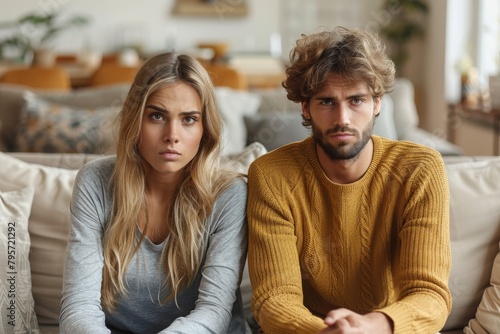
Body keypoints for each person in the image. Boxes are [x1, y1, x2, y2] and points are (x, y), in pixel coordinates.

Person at [246, 26, 452, 334]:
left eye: (356, 100)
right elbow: (274, 299)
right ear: (305, 107)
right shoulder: (271, 175)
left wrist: (372, 326)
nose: (342, 118)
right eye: (327, 102)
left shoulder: (420, 170)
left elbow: (429, 294)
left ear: (377, 103)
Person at [60, 52, 249, 333]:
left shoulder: (228, 193)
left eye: (188, 119)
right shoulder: (95, 181)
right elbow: (78, 306)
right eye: (157, 116)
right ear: (135, 121)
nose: (171, 135)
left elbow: (214, 311)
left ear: (204, 129)